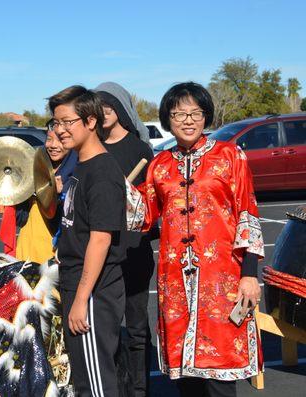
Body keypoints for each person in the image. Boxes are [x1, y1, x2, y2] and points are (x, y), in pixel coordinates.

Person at [127, 82, 264, 397]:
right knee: (185, 378)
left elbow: (248, 213)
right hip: (174, 280)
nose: (187, 121)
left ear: (206, 117)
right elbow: (143, 217)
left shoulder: (230, 156)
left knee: (219, 376)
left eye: (195, 113)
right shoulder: (159, 166)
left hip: (222, 277)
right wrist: (114, 188)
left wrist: (249, 274)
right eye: (179, 114)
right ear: (168, 119)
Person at [49, 85, 127, 396]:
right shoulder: (80, 166)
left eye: (67, 122)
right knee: (83, 380)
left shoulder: (103, 171)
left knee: (96, 384)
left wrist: (81, 299)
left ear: (91, 121)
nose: (60, 131)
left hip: (95, 292)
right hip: (75, 283)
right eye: (56, 123)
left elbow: (100, 240)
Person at [94, 82, 156, 397]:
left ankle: (139, 389)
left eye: (109, 105)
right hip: (100, 253)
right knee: (104, 329)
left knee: (135, 327)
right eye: (98, 105)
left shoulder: (140, 150)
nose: (104, 111)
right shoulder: (89, 148)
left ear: (121, 108)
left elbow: (153, 204)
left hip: (134, 251)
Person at [14, 121, 77, 263]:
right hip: (29, 242)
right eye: (49, 139)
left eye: (60, 140)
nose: (53, 145)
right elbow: (20, 215)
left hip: (58, 248)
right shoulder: (36, 166)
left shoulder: (78, 170)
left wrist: (59, 196)